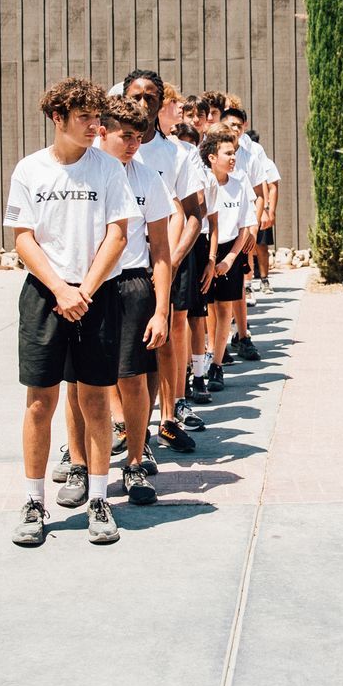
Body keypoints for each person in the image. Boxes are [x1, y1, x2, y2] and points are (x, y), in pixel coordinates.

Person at [6, 77, 137, 547]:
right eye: (84, 118)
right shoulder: (30, 170)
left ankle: (99, 499)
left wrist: (86, 289)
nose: (94, 127)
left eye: (98, 118)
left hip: (97, 295)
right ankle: (34, 501)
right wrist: (61, 288)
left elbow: (118, 235)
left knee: (96, 399)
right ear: (57, 118)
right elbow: (23, 238)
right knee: (40, 400)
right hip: (46, 295)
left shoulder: (107, 170)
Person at [93, 93, 175, 506]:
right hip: (87, 286)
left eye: (139, 138)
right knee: (82, 382)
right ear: (101, 131)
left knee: (133, 378)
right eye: (125, 136)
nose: (133, 145)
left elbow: (160, 250)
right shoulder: (83, 173)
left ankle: (136, 464)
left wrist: (162, 309)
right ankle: (81, 463)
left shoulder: (147, 179)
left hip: (132, 284)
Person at [126, 73, 208, 453]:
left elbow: (194, 213)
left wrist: (172, 260)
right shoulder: (107, 147)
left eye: (150, 97)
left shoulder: (179, 153)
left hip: (162, 259)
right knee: (121, 347)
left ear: (161, 102)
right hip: (118, 265)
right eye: (135, 97)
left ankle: (168, 419)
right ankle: (125, 425)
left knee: (166, 337)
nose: (143, 105)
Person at [200, 128, 259, 389]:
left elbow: (245, 226)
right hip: (204, 249)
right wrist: (211, 259)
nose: (233, 158)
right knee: (202, 311)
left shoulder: (239, 183)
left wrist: (230, 259)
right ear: (212, 157)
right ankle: (199, 362)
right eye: (227, 153)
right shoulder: (201, 183)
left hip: (229, 253)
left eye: (234, 153)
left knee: (224, 309)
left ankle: (217, 364)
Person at [218, 104, 275, 357]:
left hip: (239, 230)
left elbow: (260, 193)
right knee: (212, 295)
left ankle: (242, 336)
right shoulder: (211, 152)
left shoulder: (250, 157)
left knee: (238, 286)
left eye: (239, 126)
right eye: (230, 125)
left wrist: (253, 225)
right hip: (217, 231)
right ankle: (216, 346)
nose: (235, 130)